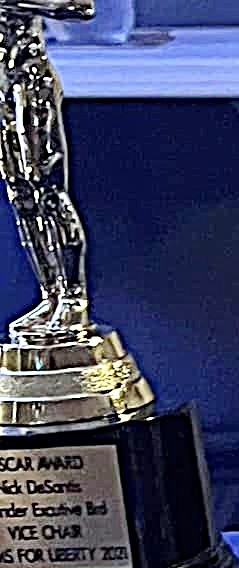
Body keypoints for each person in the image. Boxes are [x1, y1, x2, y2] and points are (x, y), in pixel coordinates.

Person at [0, 0, 94, 343]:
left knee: (47, 191)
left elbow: (79, 7)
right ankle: (50, 293)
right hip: (3, 88)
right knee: (20, 194)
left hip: (30, 83)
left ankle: (73, 299)